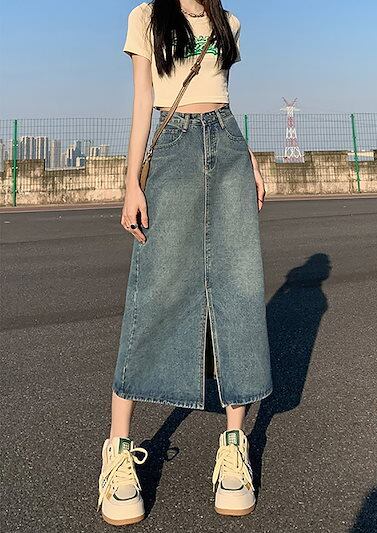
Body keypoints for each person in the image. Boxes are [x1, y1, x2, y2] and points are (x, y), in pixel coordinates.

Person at [97, 0, 273, 526]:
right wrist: (132, 182)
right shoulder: (146, 18)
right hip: (172, 147)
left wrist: (250, 160)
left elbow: (224, 99)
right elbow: (143, 100)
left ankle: (234, 446)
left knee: (239, 290)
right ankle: (117, 451)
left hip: (228, 149)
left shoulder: (228, 22)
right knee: (154, 291)